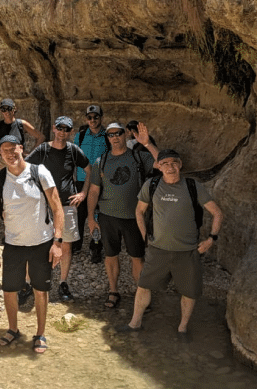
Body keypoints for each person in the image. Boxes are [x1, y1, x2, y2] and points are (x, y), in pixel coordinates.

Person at [117, 149, 223, 341]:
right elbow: (139, 211)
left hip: (188, 251)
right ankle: (135, 323)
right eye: (164, 163)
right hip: (158, 250)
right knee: (143, 285)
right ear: (159, 166)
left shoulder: (193, 186)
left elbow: (217, 213)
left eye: (174, 162)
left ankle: (182, 329)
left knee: (189, 293)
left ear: (180, 164)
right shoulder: (152, 185)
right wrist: (144, 237)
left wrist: (211, 239)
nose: (170, 167)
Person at [0, 136, 64, 354]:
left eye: (14, 149)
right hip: (13, 244)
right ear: (0, 154)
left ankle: (40, 333)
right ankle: (13, 329)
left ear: (22, 148)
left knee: (41, 290)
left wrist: (57, 242)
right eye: (5, 151)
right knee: (9, 290)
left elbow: (57, 208)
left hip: (41, 242)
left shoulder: (39, 172)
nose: (10, 154)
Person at [87, 122, 158, 309]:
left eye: (118, 133)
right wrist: (90, 217)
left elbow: (162, 164)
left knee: (137, 257)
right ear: (107, 138)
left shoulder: (138, 156)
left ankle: (141, 293)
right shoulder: (100, 161)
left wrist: (148, 143)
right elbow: (94, 191)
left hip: (135, 217)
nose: (115, 137)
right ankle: (113, 291)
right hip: (107, 216)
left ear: (125, 135)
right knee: (111, 255)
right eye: (110, 135)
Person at [26, 116, 91, 302]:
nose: (62, 133)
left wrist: (83, 193)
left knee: (66, 245)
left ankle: (63, 283)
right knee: (38, 243)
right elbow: (27, 168)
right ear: (54, 128)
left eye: (66, 129)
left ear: (70, 132)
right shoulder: (43, 149)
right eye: (60, 128)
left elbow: (89, 170)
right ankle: (31, 283)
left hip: (67, 205)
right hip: (44, 204)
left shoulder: (73, 150)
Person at [73, 105, 108, 260]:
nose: (93, 120)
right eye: (89, 117)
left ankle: (96, 247)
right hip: (81, 180)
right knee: (79, 214)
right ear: (85, 119)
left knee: (97, 215)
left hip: (101, 182)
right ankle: (76, 245)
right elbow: (73, 157)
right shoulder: (80, 136)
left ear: (101, 118)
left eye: (96, 117)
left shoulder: (107, 136)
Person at [0, 98, 44, 174]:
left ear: (14, 109)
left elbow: (41, 137)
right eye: (4, 109)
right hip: (1, 161)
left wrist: (31, 154)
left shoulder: (21, 124)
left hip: (16, 159)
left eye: (9, 108)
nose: (7, 112)